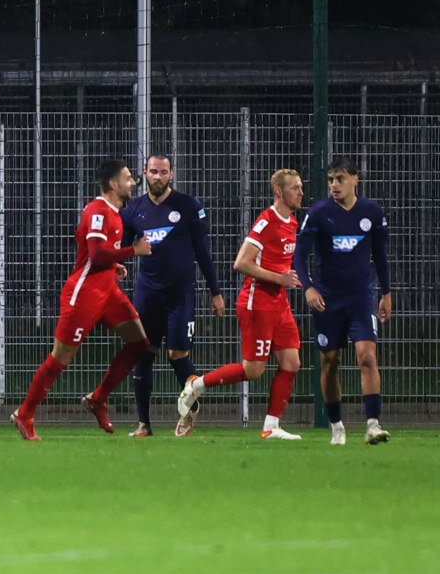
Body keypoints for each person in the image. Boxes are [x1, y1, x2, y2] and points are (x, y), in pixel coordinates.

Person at [11, 158, 154, 441]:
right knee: (60, 358)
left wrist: (116, 265)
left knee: (140, 344)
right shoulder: (98, 211)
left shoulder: (114, 212)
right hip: (84, 294)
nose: (133, 182)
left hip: (108, 291)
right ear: (113, 184)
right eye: (128, 178)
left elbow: (100, 255)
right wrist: (132, 252)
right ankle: (25, 413)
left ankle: (98, 398)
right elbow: (98, 254)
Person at [177, 169, 304, 440]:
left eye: (301, 187)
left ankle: (270, 426)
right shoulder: (266, 222)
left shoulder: (292, 222)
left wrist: (292, 279)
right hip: (257, 303)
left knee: (291, 362)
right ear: (279, 192)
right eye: (295, 188)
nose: (301, 193)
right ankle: (196, 385)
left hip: (279, 304)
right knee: (253, 370)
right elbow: (241, 263)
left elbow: (280, 263)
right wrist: (279, 278)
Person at [121, 154, 225, 437]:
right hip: (147, 293)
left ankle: (190, 412)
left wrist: (216, 293)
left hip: (180, 293)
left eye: (163, 172)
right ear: (145, 173)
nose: (158, 176)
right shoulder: (133, 211)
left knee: (177, 353)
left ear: (172, 175)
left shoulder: (188, 206)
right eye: (153, 172)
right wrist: (117, 265)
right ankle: (144, 424)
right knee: (143, 353)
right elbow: (121, 246)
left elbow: (203, 252)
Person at [293, 156, 391, 445]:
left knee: (367, 357)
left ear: (355, 180)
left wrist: (386, 292)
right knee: (330, 361)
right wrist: (309, 288)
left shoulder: (371, 212)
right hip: (327, 299)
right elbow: (299, 255)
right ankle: (337, 426)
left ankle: (373, 424)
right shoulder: (320, 212)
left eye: (340, 179)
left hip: (361, 296)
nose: (335, 185)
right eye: (331, 180)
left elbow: (381, 256)